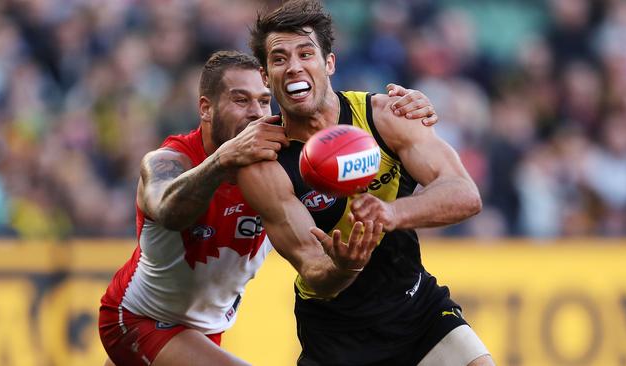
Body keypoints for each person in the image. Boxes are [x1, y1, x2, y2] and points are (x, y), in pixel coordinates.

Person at [98, 50, 438, 366]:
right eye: (240, 100)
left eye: (264, 101)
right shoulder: (170, 160)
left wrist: (406, 109)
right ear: (205, 108)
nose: (256, 113)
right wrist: (222, 160)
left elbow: (344, 120)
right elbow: (168, 210)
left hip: (206, 329)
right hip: (139, 318)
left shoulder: (282, 157)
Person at [238, 1, 494, 365]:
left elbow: (465, 193)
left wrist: (391, 212)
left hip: (417, 310)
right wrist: (345, 266)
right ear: (265, 76)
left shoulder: (386, 116)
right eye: (279, 59)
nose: (293, 66)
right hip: (338, 340)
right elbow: (312, 268)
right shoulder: (265, 163)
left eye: (305, 53)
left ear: (329, 63)